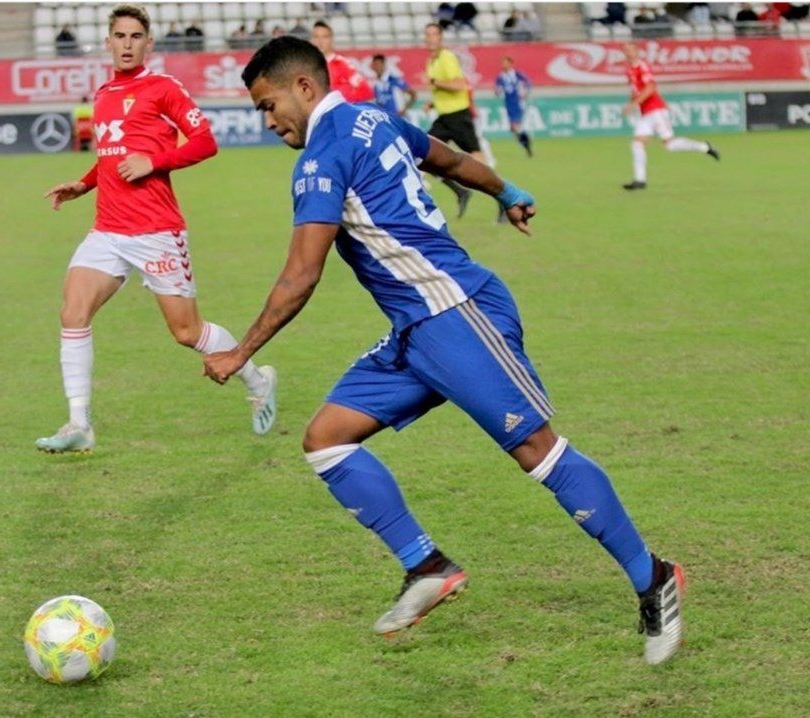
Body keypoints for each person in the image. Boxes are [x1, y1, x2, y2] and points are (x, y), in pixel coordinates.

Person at [205, 36, 685, 666]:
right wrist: (507, 190)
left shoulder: (321, 156)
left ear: (303, 87)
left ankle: (655, 577)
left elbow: (301, 275)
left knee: (537, 450)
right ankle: (426, 564)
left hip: (456, 312)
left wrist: (242, 351)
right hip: (416, 328)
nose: (268, 123)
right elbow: (454, 163)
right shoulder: (373, 117)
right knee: (326, 438)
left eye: (269, 106)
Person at [37, 4, 278, 454]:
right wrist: (84, 184)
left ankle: (257, 378)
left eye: (135, 37)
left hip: (155, 231)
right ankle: (78, 423)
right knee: (72, 313)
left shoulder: (163, 88)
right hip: (107, 230)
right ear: (107, 42)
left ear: (148, 44)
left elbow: (206, 141)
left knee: (187, 333)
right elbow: (111, 155)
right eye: (119, 36)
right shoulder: (105, 92)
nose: (126, 44)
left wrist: (156, 161)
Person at [621, 42, 719, 190]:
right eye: (625, 51)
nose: (628, 53)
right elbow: (635, 91)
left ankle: (704, 147)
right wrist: (630, 104)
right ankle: (640, 180)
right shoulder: (629, 70)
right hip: (645, 113)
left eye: (631, 50)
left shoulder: (642, 66)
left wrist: (633, 104)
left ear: (637, 51)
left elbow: (651, 87)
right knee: (637, 143)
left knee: (670, 145)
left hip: (656, 110)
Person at [423, 22, 485, 219]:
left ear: (440, 37)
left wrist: (435, 83)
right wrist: (432, 103)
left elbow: (459, 84)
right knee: (422, 155)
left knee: (478, 160)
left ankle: (503, 196)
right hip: (444, 118)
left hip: (458, 115)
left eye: (434, 34)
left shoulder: (447, 57)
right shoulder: (431, 61)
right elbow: (443, 88)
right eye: (428, 35)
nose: (431, 38)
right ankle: (461, 191)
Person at [310, 21, 374, 103]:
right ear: (311, 40)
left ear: (331, 40)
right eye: (316, 37)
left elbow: (366, 92)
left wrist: (341, 103)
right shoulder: (306, 66)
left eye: (325, 37)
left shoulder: (342, 64)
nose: (320, 41)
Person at [495, 56, 532, 157]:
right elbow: (497, 90)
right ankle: (525, 142)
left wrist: (526, 93)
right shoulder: (501, 76)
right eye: (502, 63)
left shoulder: (517, 74)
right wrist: (497, 91)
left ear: (511, 64)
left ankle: (526, 145)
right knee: (513, 128)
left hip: (517, 103)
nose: (503, 65)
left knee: (515, 127)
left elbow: (528, 83)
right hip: (508, 104)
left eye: (505, 63)